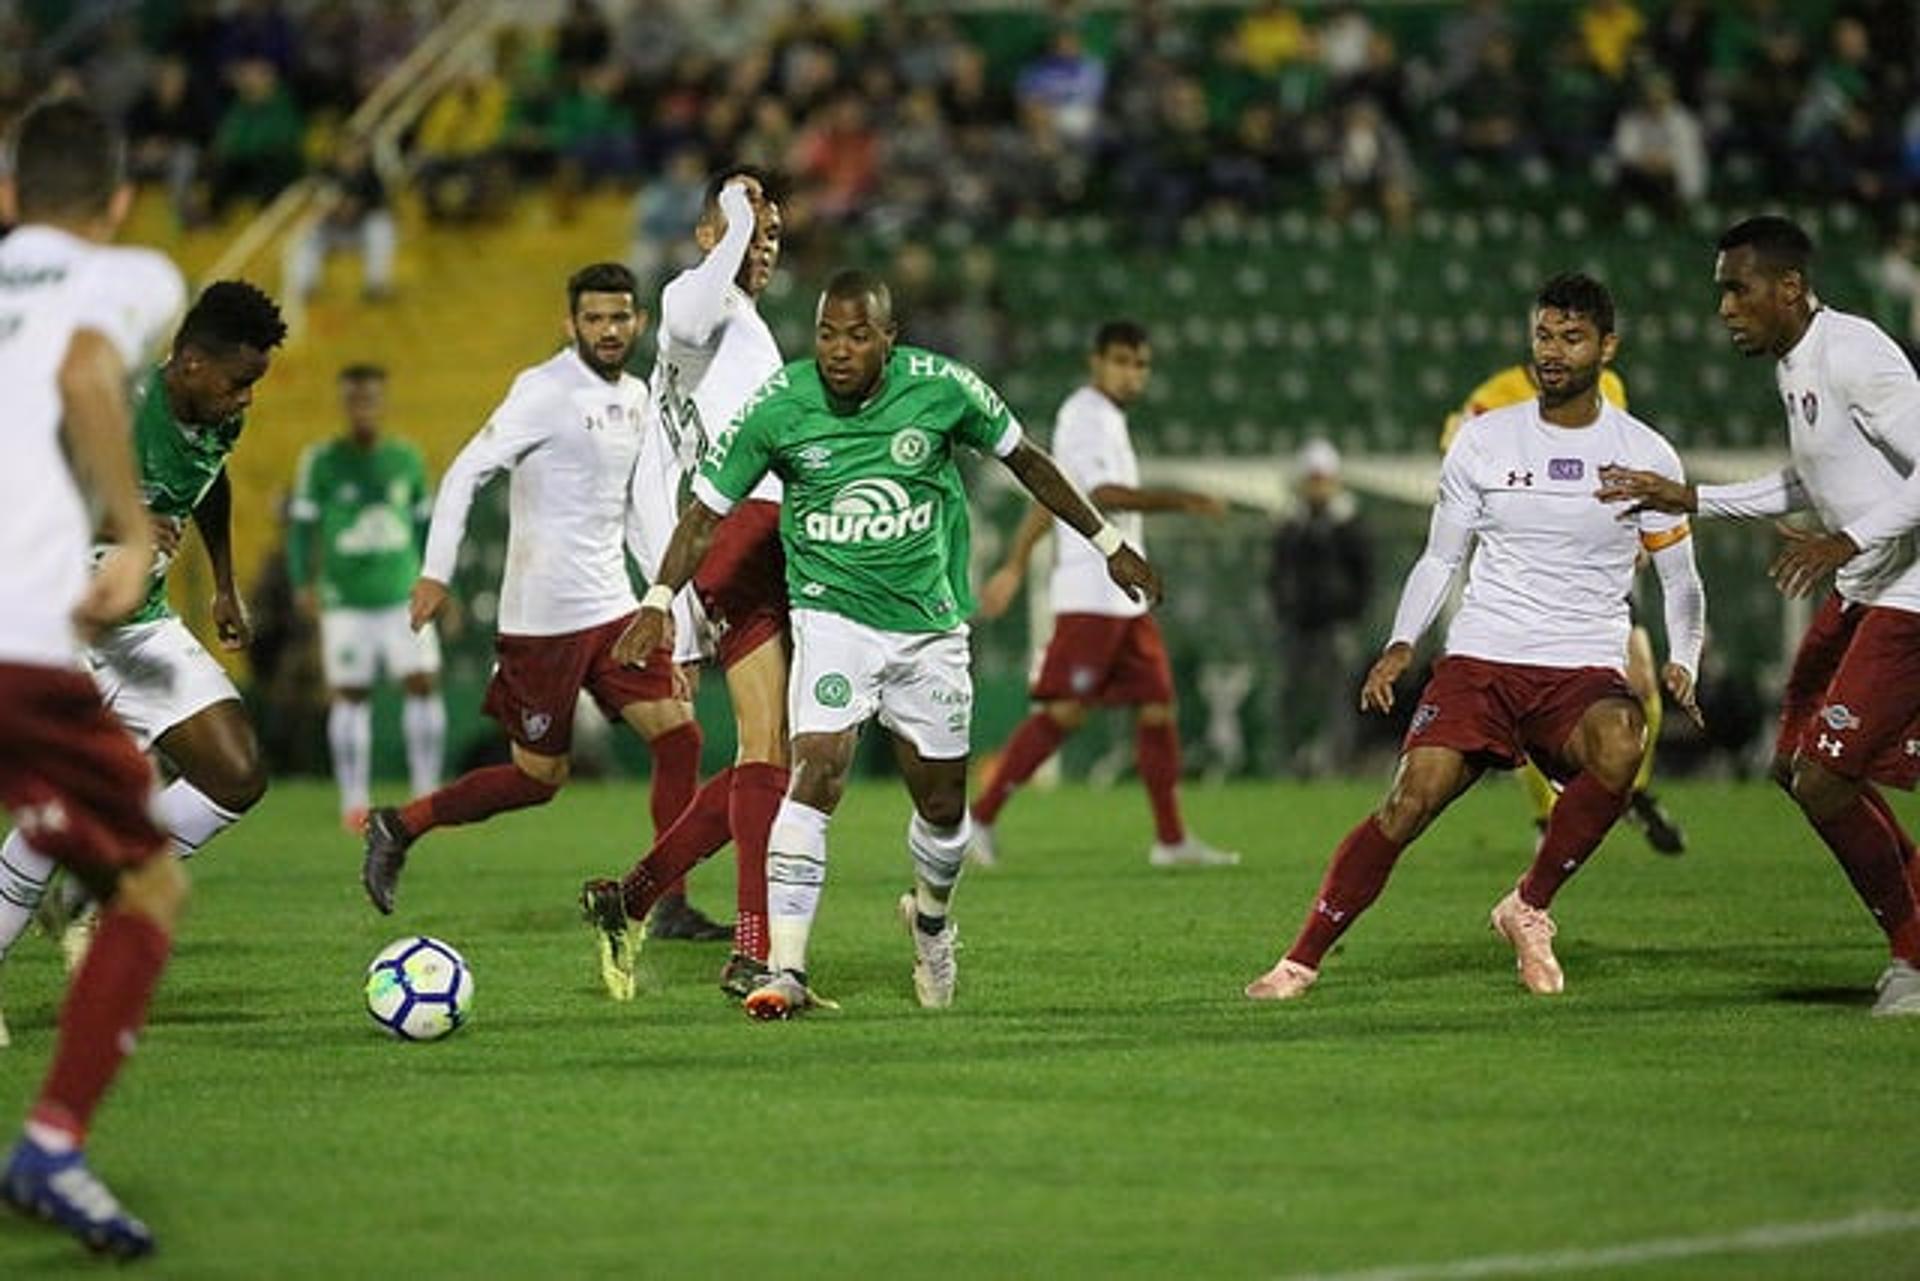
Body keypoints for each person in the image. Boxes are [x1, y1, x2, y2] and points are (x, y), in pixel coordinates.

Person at [613, 270, 1160, 1020]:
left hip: (928, 628)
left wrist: (1107, 542)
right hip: (831, 618)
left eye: (858, 335)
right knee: (817, 769)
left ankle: (932, 923)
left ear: (889, 338)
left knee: (940, 806)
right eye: (828, 334)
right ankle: (787, 968)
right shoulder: (780, 406)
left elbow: (1027, 459)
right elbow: (704, 513)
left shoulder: (942, 388)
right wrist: (655, 599)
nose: (839, 350)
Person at [1245, 273, 1705, 1002]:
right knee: (1409, 799)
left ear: (1608, 347)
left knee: (1621, 744)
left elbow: (1680, 578)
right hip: (1484, 659)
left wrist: (1685, 657)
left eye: (1572, 338)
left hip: (1578, 667)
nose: (1553, 352)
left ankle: (1529, 905)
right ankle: (1300, 959)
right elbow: (1441, 556)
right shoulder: (1484, 440)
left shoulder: (1645, 455)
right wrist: (1401, 642)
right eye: (1544, 336)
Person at [1598, 216, 1920, 1017]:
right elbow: (1810, 478)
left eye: (1737, 290)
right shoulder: (1796, 364)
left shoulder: (1857, 353)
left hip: (1908, 594)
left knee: (1825, 779)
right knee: (1797, 769)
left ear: (1789, 287)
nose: (1725, 309)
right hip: (1865, 588)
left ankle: (1915, 953)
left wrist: (1850, 538)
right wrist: (1694, 499)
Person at [360, 263, 703, 916]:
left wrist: (668, 606)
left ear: (640, 321)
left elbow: (635, 514)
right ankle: (399, 825)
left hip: (613, 608)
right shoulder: (543, 390)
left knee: (680, 738)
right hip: (542, 620)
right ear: (569, 323)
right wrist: (437, 570)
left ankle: (671, 905)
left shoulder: (637, 396)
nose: (608, 330)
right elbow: (466, 471)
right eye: (594, 318)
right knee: (539, 777)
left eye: (619, 317)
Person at [0, 95, 187, 1260]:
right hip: (19, 643)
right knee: (149, 888)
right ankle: (54, 1145)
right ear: (115, 201)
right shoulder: (127, 279)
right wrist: (125, 532)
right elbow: (78, 372)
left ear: (11, 197)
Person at [0, 278, 287, 981]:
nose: (245, 397)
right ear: (190, 363)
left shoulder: (218, 417)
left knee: (235, 773)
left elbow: (210, 481)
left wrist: (222, 582)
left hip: (138, 623)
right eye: (238, 381)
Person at [583, 166, 789, 995]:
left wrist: (683, 611)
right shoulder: (690, 305)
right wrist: (742, 200)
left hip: (736, 540)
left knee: (779, 755)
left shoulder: (725, 337)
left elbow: (658, 478)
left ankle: (629, 896)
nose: (764, 246)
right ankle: (753, 949)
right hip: (751, 535)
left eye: (777, 237)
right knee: (772, 749)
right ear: (710, 234)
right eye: (752, 231)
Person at [967, 320, 1236, 867]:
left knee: (1158, 708)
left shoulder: (1104, 419)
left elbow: (1053, 497)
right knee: (1065, 712)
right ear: (1096, 361)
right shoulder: (1085, 415)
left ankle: (1171, 840)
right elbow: (1100, 494)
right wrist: (1184, 500)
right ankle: (980, 818)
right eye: (1121, 361)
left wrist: (1016, 565)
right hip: (1092, 592)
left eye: (1140, 364)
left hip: (1123, 599)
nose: (1131, 374)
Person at [1443, 358, 1687, 856]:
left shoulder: (1611, 388)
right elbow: (1455, 450)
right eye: (1551, 335)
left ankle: (1632, 793)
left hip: (1598, 567)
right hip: (1535, 574)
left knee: (1641, 682)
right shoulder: (1497, 395)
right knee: (1532, 700)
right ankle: (1545, 818)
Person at [288, 364, 445, 832]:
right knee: (350, 695)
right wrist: (303, 582)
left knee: (421, 683)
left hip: (402, 594)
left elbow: (424, 525)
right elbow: (301, 529)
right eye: (355, 399)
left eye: (371, 399)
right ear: (344, 404)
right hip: (346, 600)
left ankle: (426, 794)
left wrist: (434, 577)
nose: (363, 408)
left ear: (383, 402)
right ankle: (353, 802)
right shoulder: (321, 460)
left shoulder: (407, 458)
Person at [1268, 439, 1373, 777]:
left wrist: (1350, 612)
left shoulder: (1348, 525)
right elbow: (1276, 573)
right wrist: (1284, 607)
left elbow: (1365, 576)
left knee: (1338, 700)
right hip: (1297, 623)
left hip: (1335, 623)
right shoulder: (1292, 525)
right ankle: (1292, 763)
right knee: (1293, 698)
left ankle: (1338, 765)